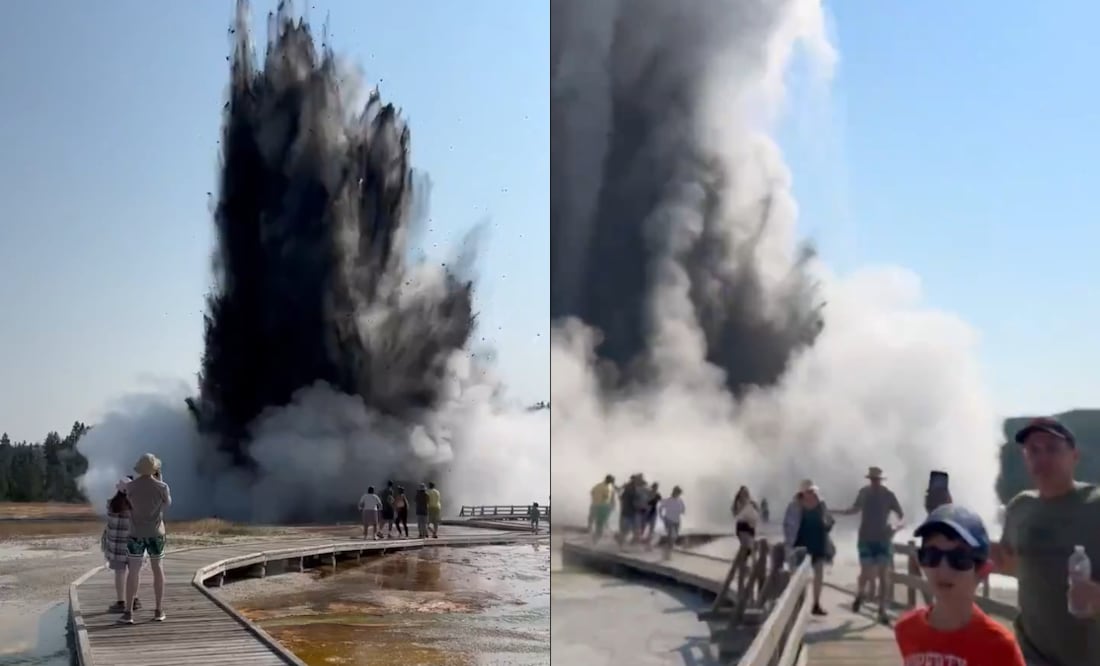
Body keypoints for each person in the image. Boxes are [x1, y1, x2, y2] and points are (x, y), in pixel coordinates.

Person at [993, 416, 1100, 666]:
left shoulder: (1095, 505)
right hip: (1032, 655)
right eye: (1033, 450)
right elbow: (1015, 567)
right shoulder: (1019, 507)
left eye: (1052, 448)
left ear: (1074, 455)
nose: (1042, 458)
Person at [894, 504, 1025, 665]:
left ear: (982, 571)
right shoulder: (906, 629)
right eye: (931, 555)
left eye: (959, 558)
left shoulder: (999, 645)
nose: (943, 568)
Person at [835, 466, 904, 625]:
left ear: (881, 480)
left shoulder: (888, 495)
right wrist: (836, 512)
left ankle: (882, 609)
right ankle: (860, 594)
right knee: (866, 573)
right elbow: (854, 509)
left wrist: (896, 526)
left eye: (877, 480)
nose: (874, 482)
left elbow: (900, 515)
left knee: (883, 574)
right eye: (872, 480)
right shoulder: (864, 493)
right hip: (866, 538)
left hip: (883, 538)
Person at [120, 453, 171, 624]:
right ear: (155, 468)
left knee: (133, 571)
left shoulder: (130, 487)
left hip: (135, 533)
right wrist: (160, 480)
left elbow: (126, 508)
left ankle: (128, 613)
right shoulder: (162, 487)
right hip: (156, 533)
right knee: (158, 570)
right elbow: (166, 505)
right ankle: (158, 610)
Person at [790, 479, 833, 616]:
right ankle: (798, 604)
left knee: (818, 574)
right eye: (809, 491)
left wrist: (828, 524)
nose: (812, 493)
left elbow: (828, 520)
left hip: (819, 542)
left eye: (813, 491)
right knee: (800, 576)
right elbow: (791, 524)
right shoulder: (797, 505)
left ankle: (816, 604)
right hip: (802, 544)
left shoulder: (821, 504)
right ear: (803, 493)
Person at [102, 477, 140, 613]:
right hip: (133, 546)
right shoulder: (136, 506)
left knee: (119, 574)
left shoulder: (111, 504)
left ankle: (121, 601)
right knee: (134, 573)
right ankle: (134, 600)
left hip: (116, 548)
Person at [657, 486, 685, 560]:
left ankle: (666, 552)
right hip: (669, 521)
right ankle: (667, 554)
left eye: (679, 493)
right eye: (678, 492)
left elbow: (683, 510)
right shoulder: (668, 500)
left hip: (677, 521)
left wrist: (681, 511)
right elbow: (660, 508)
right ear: (674, 492)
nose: (679, 494)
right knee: (672, 537)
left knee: (674, 537)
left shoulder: (680, 500)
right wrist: (661, 517)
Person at [589, 475, 617, 543]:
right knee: (600, 524)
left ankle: (592, 536)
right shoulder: (608, 488)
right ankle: (596, 540)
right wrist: (612, 506)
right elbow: (609, 498)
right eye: (612, 481)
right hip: (602, 507)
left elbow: (592, 492)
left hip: (594, 505)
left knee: (594, 522)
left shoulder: (598, 485)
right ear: (610, 481)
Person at [617, 474, 641, 547]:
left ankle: (623, 544)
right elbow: (633, 501)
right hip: (628, 512)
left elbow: (621, 497)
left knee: (631, 530)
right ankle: (621, 545)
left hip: (629, 512)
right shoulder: (630, 488)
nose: (637, 481)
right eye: (637, 480)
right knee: (626, 530)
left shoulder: (632, 488)